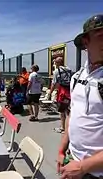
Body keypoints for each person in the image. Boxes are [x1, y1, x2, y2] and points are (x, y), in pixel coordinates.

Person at [59, 14, 103, 179]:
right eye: (101, 36)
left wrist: (83, 167)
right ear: (86, 42)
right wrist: (62, 149)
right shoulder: (77, 77)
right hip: (72, 162)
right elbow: (72, 113)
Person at [48, 57, 73, 133]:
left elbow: (54, 83)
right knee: (67, 110)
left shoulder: (56, 71)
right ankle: (69, 127)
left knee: (62, 111)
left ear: (58, 63)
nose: (54, 63)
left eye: (55, 62)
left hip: (62, 92)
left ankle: (63, 128)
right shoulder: (69, 69)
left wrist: (50, 93)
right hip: (69, 92)